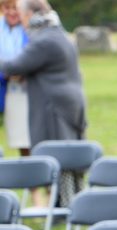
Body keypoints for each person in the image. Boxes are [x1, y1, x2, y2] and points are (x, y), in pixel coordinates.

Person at [0, 0, 85, 148]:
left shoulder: (44, 41)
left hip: (55, 107)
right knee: (69, 154)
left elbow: (14, 67)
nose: (21, 19)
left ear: (30, 14)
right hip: (66, 103)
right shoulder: (56, 33)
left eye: (21, 14)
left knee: (57, 155)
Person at [1, 0, 29, 156]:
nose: (11, 12)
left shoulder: (29, 29)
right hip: (4, 85)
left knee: (25, 137)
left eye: (15, 8)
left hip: (24, 88)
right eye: (7, 8)